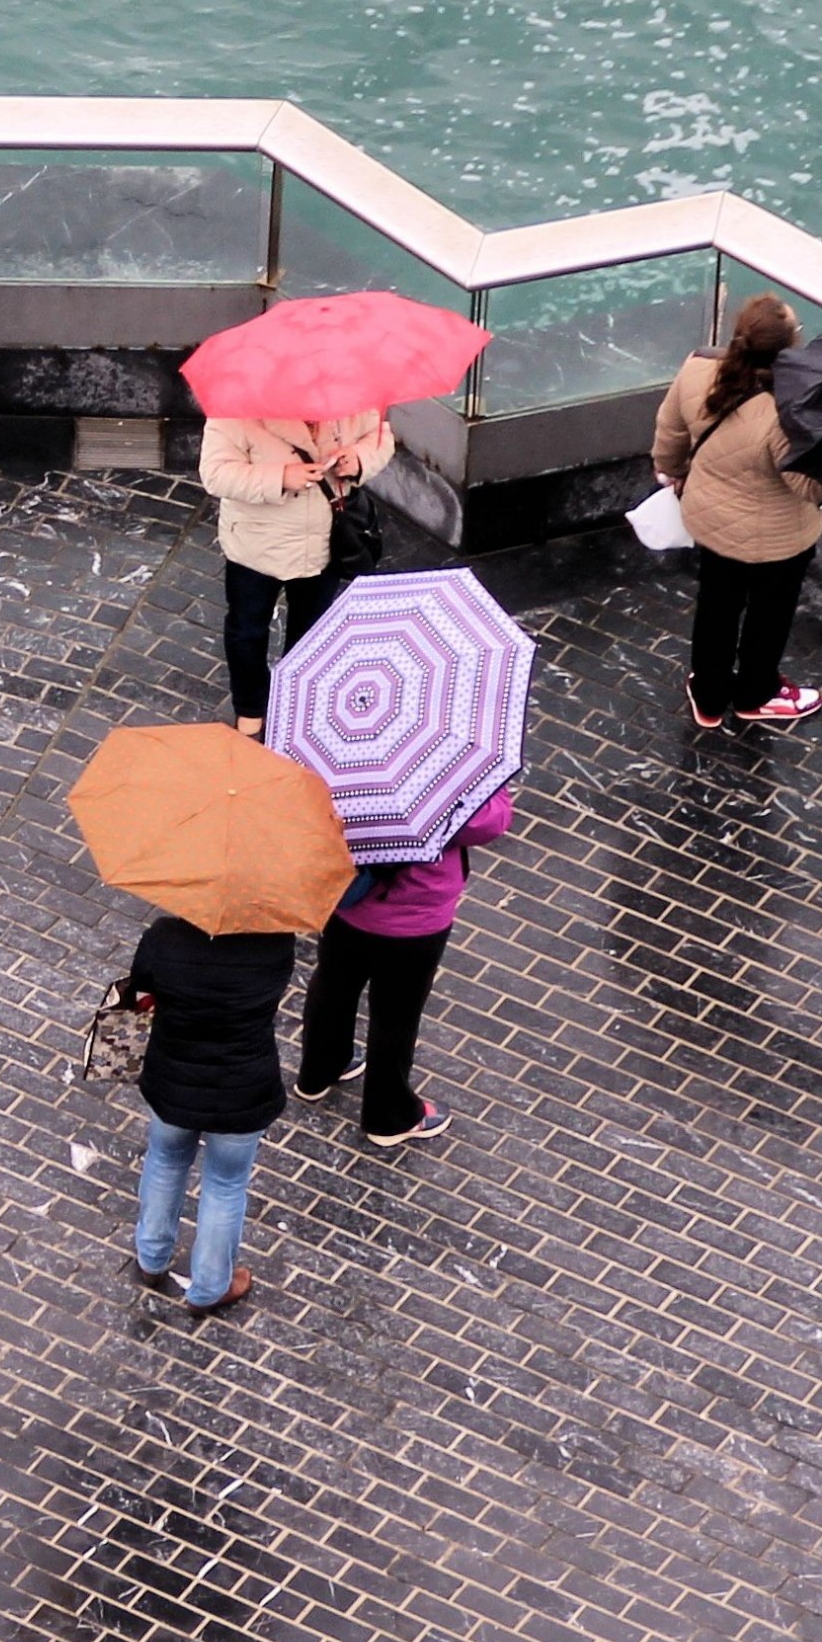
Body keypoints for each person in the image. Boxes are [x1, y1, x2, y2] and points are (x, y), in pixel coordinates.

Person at [298, 784, 515, 1148]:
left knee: (334, 984)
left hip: (348, 898)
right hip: (414, 919)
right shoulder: (443, 767)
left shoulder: (351, 752)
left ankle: (320, 1069)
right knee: (396, 1017)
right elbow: (488, 824)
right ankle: (389, 1116)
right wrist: (496, 788)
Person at [656, 295, 822, 727]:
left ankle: (710, 696)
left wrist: (672, 471)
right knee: (768, 615)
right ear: (789, 346)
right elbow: (806, 486)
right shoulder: (789, 410)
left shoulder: (698, 367)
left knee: (717, 605)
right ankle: (756, 693)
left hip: (711, 523)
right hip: (779, 539)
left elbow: (671, 432)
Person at [114, 909, 296, 1315]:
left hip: (173, 1079)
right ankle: (211, 1287)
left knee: (164, 1160)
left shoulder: (165, 936)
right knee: (226, 1185)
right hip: (243, 1090)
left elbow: (139, 992)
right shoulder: (276, 943)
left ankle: (152, 1258)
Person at [196, 404, 391, 728]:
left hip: (322, 543)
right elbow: (216, 473)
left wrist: (358, 459)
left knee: (311, 634)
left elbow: (380, 438)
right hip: (256, 545)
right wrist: (280, 477)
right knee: (247, 631)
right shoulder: (237, 407)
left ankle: (297, 703)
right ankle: (250, 708)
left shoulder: (349, 400)